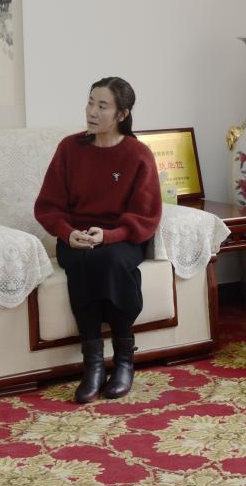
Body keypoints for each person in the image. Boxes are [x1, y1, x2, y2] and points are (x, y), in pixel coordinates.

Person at [34, 76, 163, 403]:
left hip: (122, 239)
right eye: (90, 102)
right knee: (83, 259)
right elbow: (47, 206)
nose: (92, 111)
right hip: (76, 238)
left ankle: (123, 361)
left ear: (122, 114)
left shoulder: (138, 155)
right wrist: (68, 233)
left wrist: (110, 236)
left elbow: (146, 216)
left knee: (109, 259)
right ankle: (93, 365)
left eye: (102, 106)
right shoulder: (69, 148)